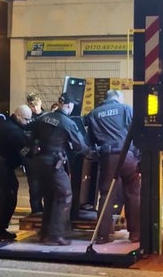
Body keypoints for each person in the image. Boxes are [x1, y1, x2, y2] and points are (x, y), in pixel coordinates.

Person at [30, 92, 89, 245]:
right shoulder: (67, 122)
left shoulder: (43, 118)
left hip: (40, 163)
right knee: (64, 195)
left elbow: (31, 138)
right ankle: (56, 235)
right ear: (69, 105)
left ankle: (45, 233)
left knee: (50, 197)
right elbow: (80, 146)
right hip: (54, 164)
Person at [84, 89, 141, 244]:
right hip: (127, 156)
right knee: (133, 193)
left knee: (106, 195)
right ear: (118, 98)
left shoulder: (94, 113)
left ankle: (103, 235)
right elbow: (138, 131)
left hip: (108, 157)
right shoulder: (126, 109)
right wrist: (137, 155)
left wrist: (97, 153)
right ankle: (135, 233)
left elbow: (89, 141)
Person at [0, 105, 33, 241]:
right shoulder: (13, 130)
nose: (28, 122)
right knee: (8, 198)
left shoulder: (8, 124)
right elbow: (24, 149)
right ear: (19, 116)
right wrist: (32, 148)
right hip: (4, 166)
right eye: (26, 119)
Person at [24, 92, 49, 215]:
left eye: (35, 105)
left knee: (47, 186)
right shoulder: (28, 119)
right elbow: (24, 140)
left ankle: (48, 211)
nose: (34, 108)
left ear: (40, 103)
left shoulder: (47, 117)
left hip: (45, 157)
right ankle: (36, 211)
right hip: (32, 158)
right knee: (34, 188)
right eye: (31, 106)